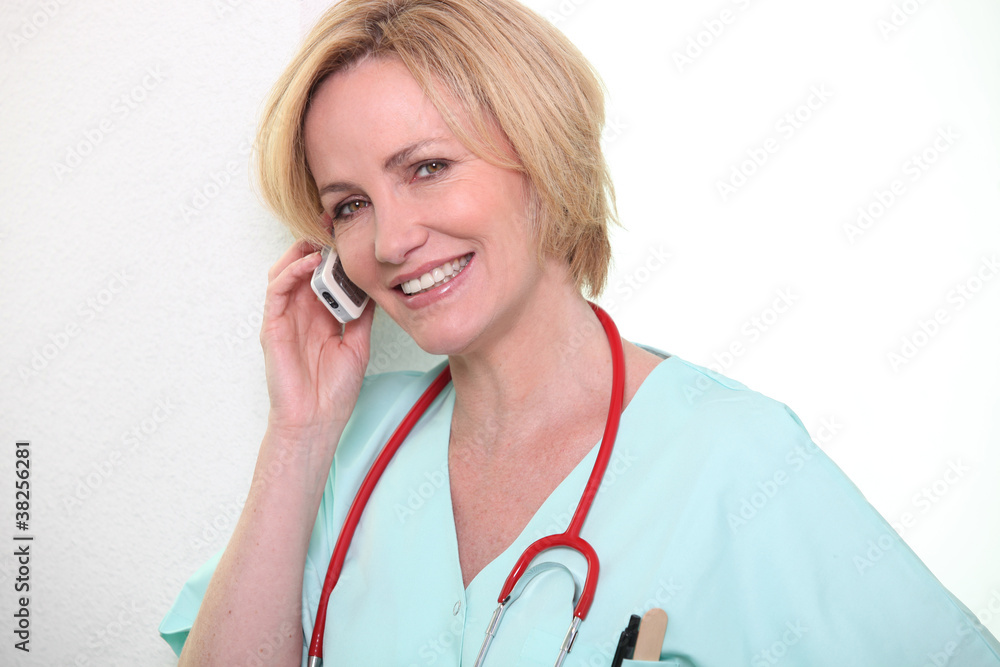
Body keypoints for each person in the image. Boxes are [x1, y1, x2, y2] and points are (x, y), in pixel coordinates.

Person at [160, 0, 1000, 665]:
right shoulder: (349, 449)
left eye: (427, 167)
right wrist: (300, 432)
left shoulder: (735, 459)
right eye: (350, 205)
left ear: (543, 154)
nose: (388, 241)